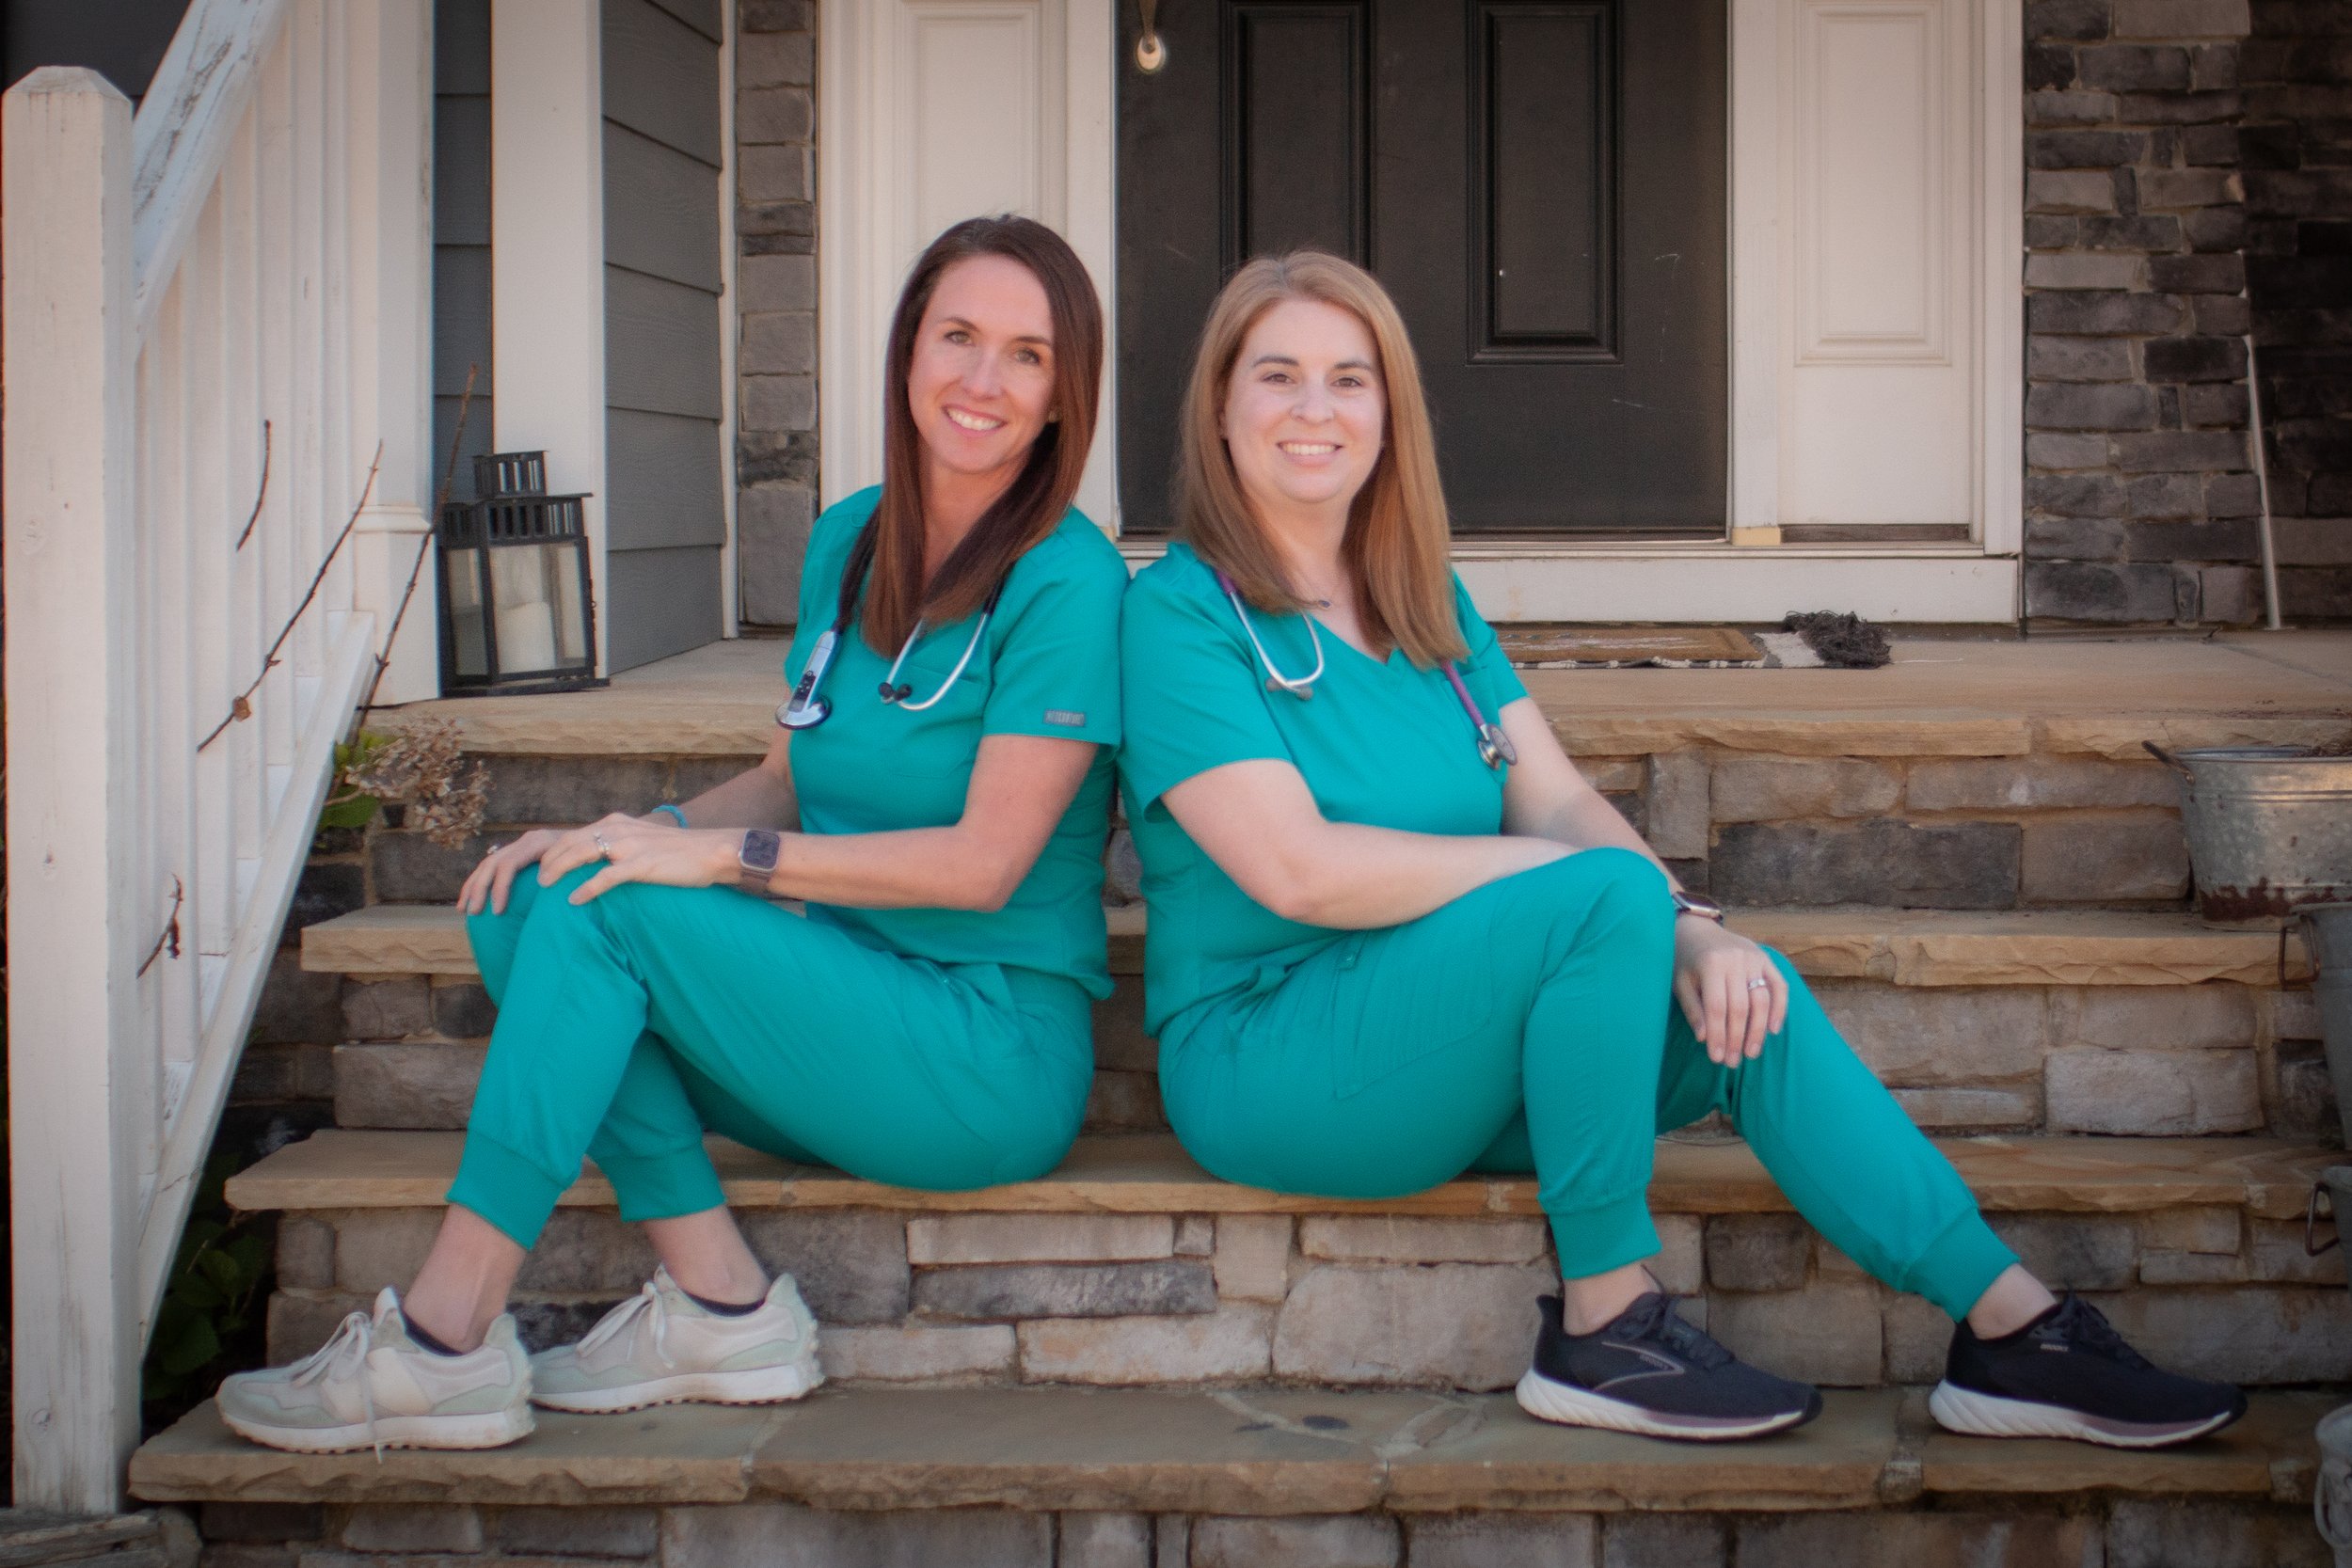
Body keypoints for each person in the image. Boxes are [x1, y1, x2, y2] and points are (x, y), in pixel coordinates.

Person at [1115, 250, 2244, 1448]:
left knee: (1746, 1001)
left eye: (1350, 378)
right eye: (1277, 375)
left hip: (1431, 1045)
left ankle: (2016, 1331)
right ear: (1222, 408)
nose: (1314, 408)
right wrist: (1617, 901)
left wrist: (1697, 933)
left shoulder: (1419, 598)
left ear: (1388, 413)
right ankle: (1604, 1322)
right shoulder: (1182, 613)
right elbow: (1300, 870)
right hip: (1274, 1061)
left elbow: (1552, 799)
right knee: (1608, 896)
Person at [216, 215, 1126, 1453]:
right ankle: (720, 1300)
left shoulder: (1070, 579)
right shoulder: (848, 537)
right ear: (908, 345)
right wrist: (630, 823)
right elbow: (784, 778)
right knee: (530, 897)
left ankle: (444, 1334)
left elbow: (984, 864)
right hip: (844, 1005)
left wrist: (705, 860)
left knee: (622, 906)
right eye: (958, 335)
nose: (981, 381)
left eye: (1026, 354)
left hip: (982, 1049)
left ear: (1065, 390)